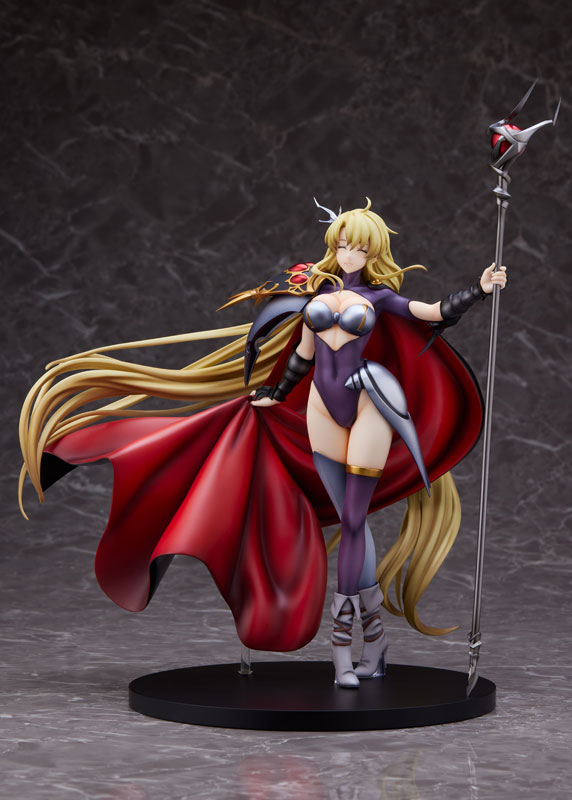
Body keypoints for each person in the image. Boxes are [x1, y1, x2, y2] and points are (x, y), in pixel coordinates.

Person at [18, 198, 507, 689]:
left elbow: (432, 312)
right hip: (320, 408)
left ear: (373, 252)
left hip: (366, 405)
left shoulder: (379, 299)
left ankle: (341, 645)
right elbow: (302, 353)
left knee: (355, 521)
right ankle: (375, 638)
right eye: (342, 245)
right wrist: (275, 392)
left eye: (359, 248)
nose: (349, 254)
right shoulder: (316, 292)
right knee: (352, 524)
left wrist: (480, 289)